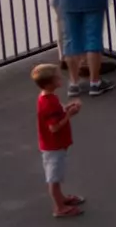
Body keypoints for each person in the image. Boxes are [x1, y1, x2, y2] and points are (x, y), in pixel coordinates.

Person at [32, 62, 84, 218]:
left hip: (55, 144)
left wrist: (67, 108)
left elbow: (56, 114)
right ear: (49, 83)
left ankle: (61, 199)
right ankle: (59, 208)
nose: (61, 78)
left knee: (57, 175)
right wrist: (70, 115)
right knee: (54, 178)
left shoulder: (48, 98)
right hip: (53, 146)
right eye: (57, 78)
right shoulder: (49, 103)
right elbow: (53, 127)